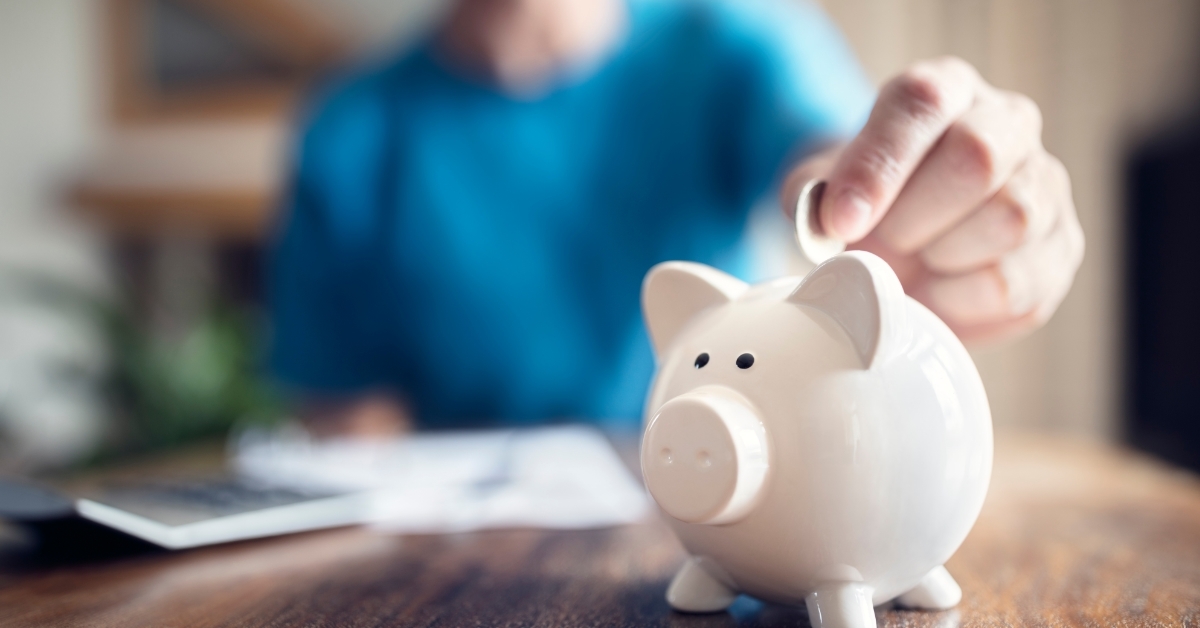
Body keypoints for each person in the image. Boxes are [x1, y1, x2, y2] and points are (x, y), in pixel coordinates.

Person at [269, 0, 1083, 435]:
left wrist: (897, 196)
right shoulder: (347, 131)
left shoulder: (731, 37)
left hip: (713, 486)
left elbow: (826, 160)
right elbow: (347, 418)